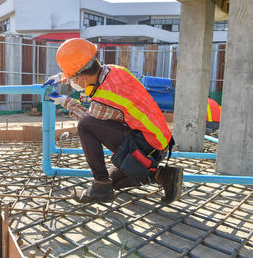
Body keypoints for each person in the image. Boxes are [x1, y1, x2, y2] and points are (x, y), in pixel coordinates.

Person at [43, 38, 183, 203]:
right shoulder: (117, 70)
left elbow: (89, 119)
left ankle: (100, 185)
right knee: (114, 181)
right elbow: (85, 72)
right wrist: (61, 77)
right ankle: (164, 176)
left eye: (72, 79)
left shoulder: (103, 99)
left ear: (80, 78)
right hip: (159, 140)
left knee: (85, 126)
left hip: (147, 145)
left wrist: (63, 101)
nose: (73, 82)